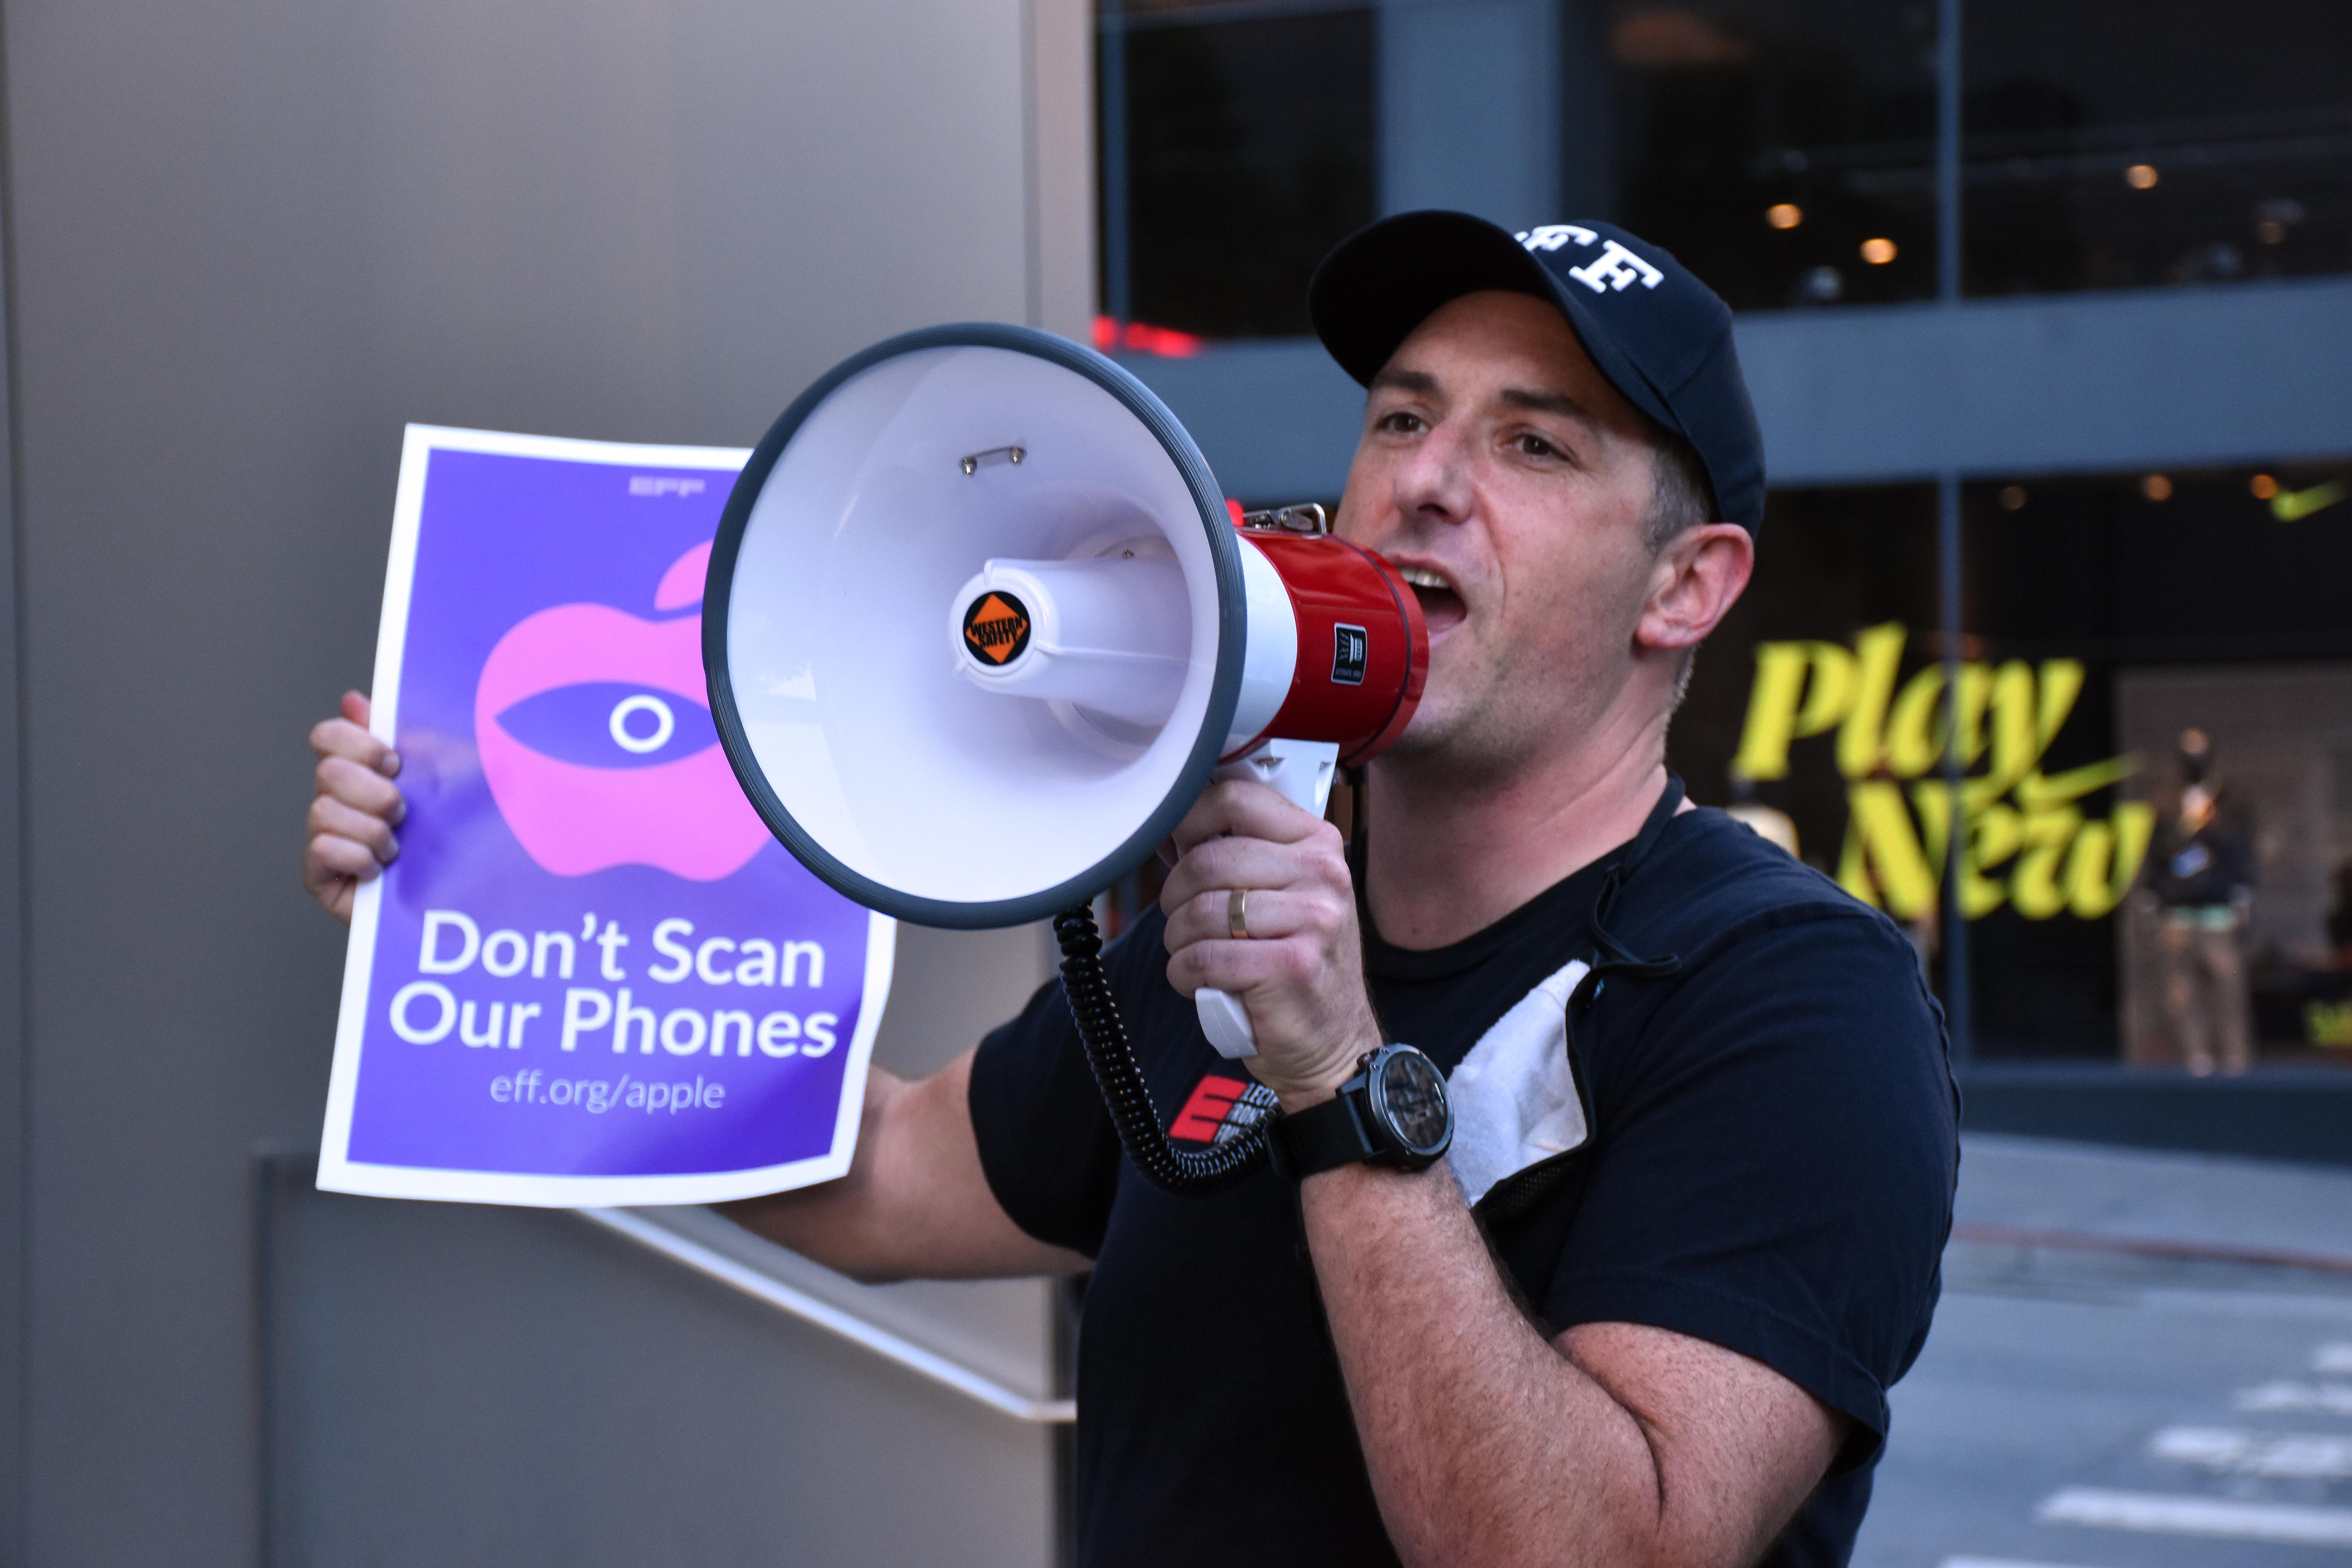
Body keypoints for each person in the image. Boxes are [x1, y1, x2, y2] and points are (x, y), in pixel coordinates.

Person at [306, 212, 1957, 1568]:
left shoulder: (1784, 993)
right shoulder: (1231, 923)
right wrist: (481, 894)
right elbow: (878, 1176)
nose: (1426, 479)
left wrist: (1328, 1078)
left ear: (1688, 583)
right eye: (1400, 414)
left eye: (1532, 442)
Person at [2143, 728, 2258, 1076]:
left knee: (2227, 992)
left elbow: (2242, 851)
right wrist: (2153, 894)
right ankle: (2196, 1061)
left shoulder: (2232, 801)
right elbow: (2156, 854)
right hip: (2178, 914)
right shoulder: (2166, 801)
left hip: (2217, 914)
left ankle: (2235, 1063)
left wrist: (2243, 892)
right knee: (2181, 996)